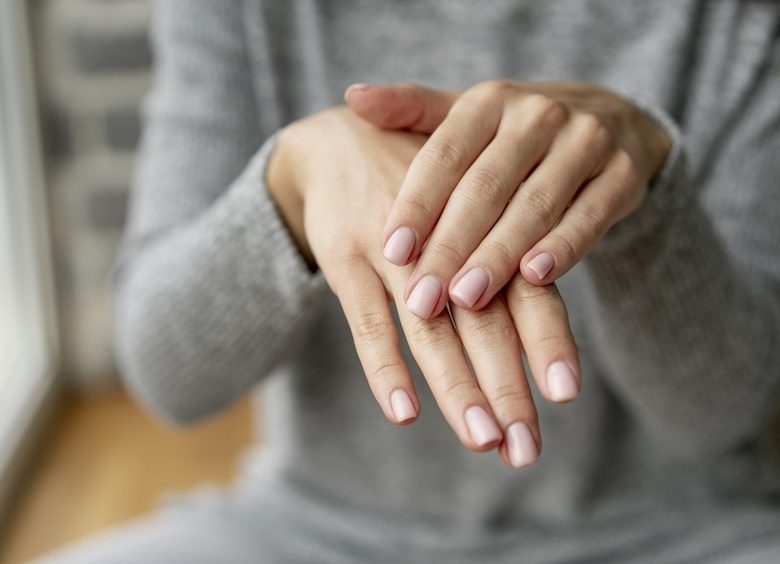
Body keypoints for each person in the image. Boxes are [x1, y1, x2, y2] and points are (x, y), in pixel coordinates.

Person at [40, 0, 780, 562]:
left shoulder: (732, 18)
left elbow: (724, 413)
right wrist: (289, 187)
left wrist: (647, 195)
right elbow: (169, 376)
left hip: (677, 533)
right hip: (314, 531)